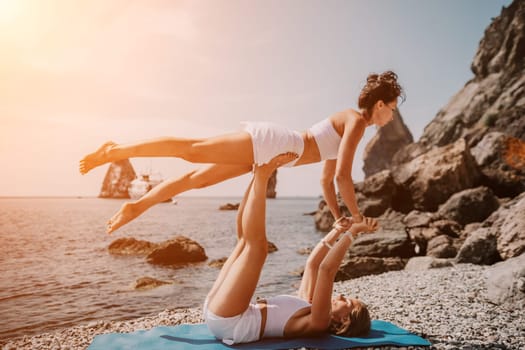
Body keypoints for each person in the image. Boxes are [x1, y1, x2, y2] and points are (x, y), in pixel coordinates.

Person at [79, 71, 403, 233]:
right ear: (378, 104)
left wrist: (338, 218)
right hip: (274, 144)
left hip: (270, 153)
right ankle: (114, 150)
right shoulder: (357, 122)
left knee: (197, 180)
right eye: (391, 108)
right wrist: (358, 219)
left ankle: (137, 207)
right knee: (193, 151)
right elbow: (344, 177)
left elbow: (328, 179)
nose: (391, 115)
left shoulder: (351, 123)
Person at [203, 152, 378, 345]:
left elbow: (326, 270)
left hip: (231, 322)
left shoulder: (319, 322)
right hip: (225, 312)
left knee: (258, 249)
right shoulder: (308, 305)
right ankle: (257, 175)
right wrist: (336, 231)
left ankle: (262, 175)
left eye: (348, 303)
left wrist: (352, 233)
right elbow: (312, 264)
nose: (343, 296)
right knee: (244, 241)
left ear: (344, 320)